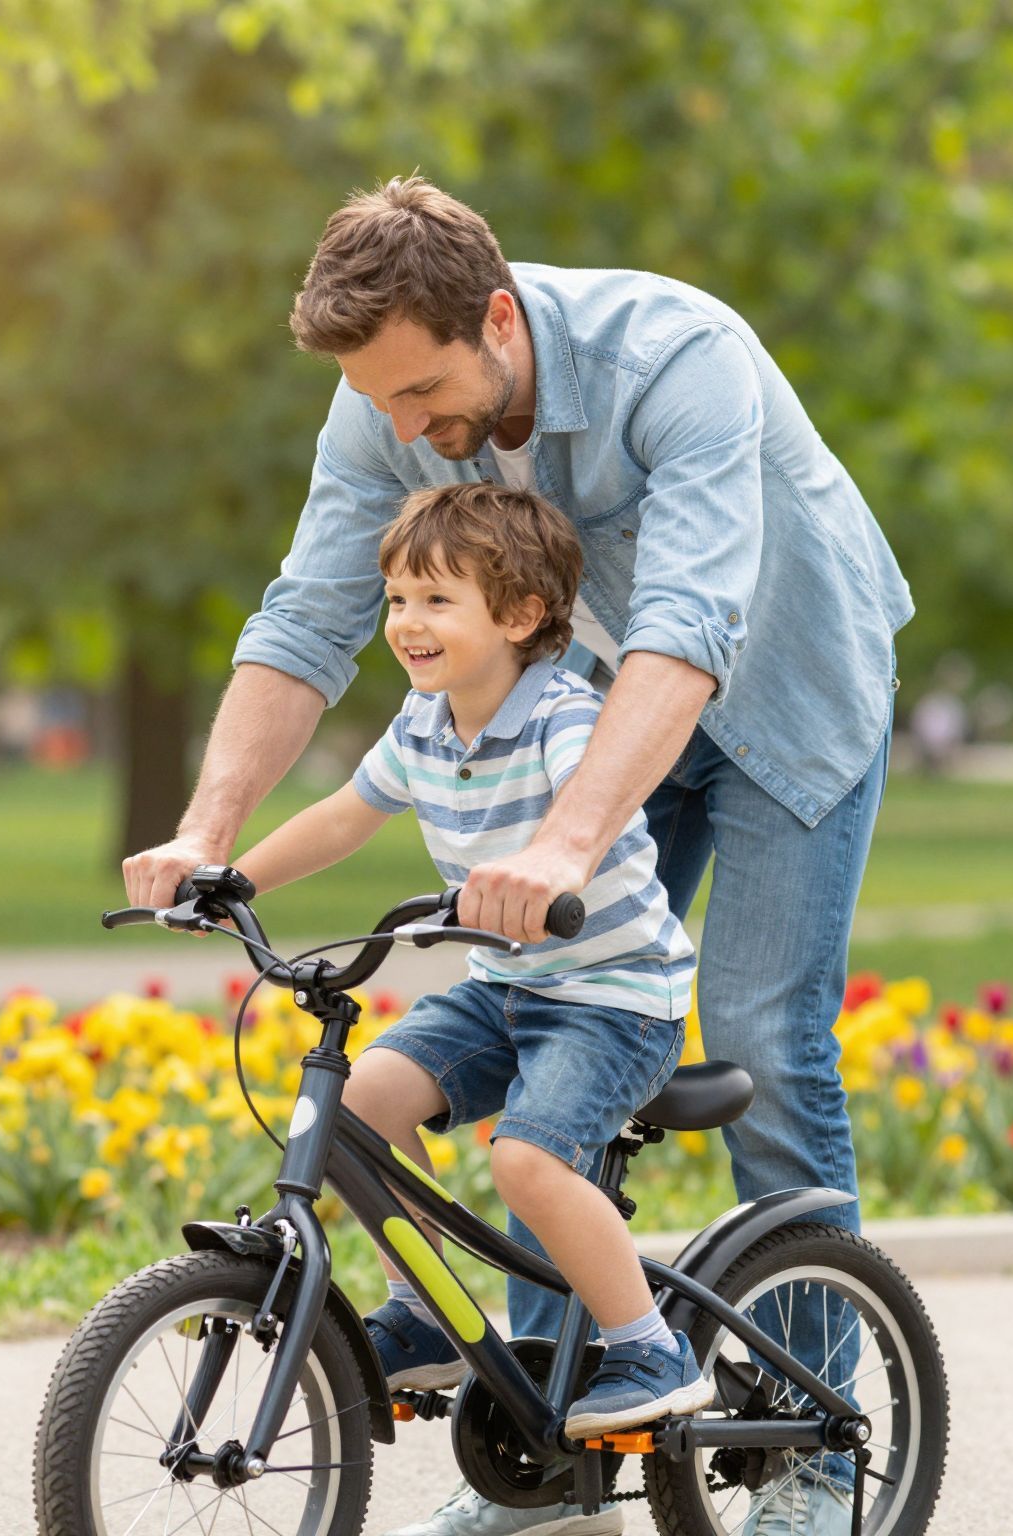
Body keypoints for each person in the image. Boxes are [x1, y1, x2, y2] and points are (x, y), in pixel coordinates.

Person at [124, 176, 911, 1536]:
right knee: (546, 1033)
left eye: (425, 397)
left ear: (497, 319)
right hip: (584, 729)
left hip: (787, 701)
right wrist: (211, 829)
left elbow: (687, 625)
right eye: (384, 406)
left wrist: (564, 839)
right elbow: (307, 617)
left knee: (771, 1038)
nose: (408, 431)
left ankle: (809, 1460)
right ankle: (549, 1458)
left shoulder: (678, 358)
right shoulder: (389, 394)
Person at [235, 482, 710, 1437]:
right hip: (505, 987)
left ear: (522, 615)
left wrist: (543, 865)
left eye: (437, 600)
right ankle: (426, 1313)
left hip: (613, 998)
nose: (407, 621)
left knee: (529, 1160)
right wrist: (230, 880)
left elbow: (592, 800)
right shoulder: (421, 721)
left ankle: (650, 1348)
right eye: (398, 598)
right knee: (362, 1103)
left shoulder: (565, 718)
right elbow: (345, 816)